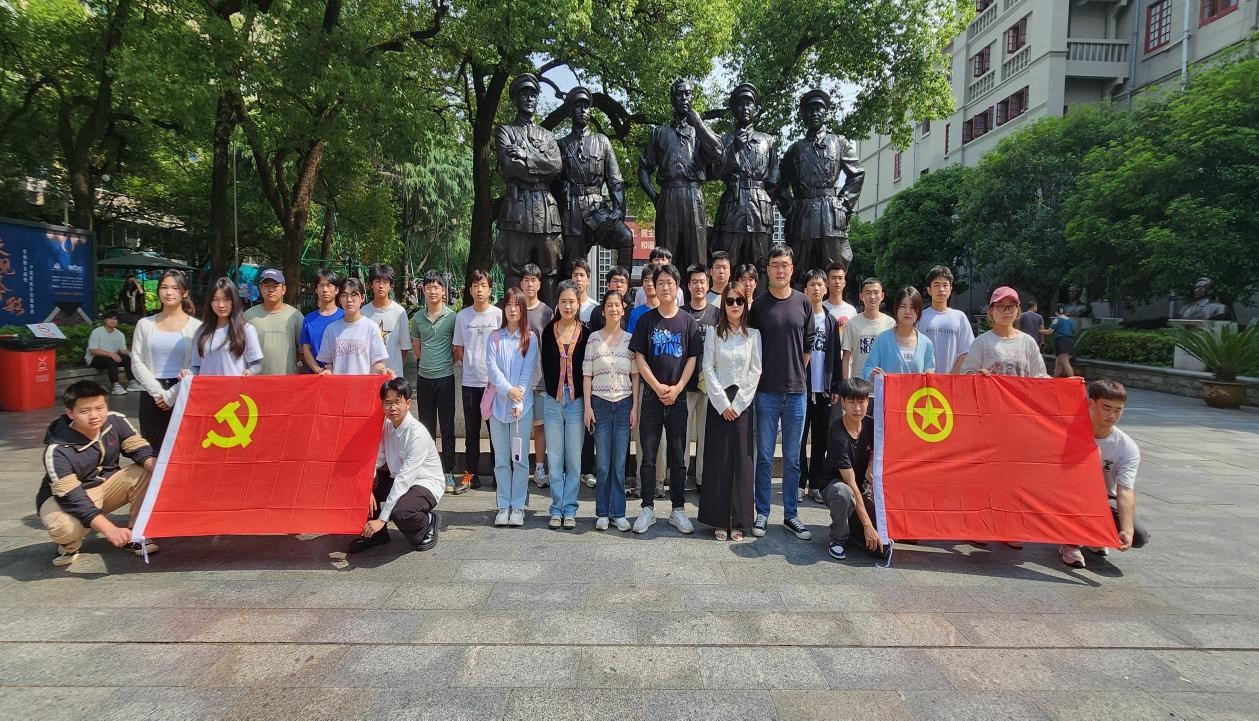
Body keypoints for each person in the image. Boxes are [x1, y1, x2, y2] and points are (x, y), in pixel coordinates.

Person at [37, 380, 158, 567]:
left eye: (99, 408)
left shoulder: (116, 421)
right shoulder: (57, 450)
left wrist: (165, 473)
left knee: (147, 471)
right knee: (63, 527)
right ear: (70, 413)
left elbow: (140, 450)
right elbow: (72, 498)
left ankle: (137, 533)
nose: (94, 416)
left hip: (106, 486)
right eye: (85, 411)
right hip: (66, 498)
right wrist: (110, 529)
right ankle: (69, 546)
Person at [747, 246, 816, 540]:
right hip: (765, 392)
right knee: (764, 456)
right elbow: (750, 346)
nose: (779, 270)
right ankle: (762, 512)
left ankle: (791, 514)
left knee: (792, 458)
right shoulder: (759, 306)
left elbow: (808, 346)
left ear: (792, 268)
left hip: (796, 393)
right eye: (774, 265)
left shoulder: (803, 302)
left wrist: (795, 372)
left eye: (784, 265)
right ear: (768, 270)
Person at [629, 264, 703, 534]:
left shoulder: (687, 321)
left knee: (678, 456)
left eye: (670, 282)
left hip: (679, 398)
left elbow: (692, 357)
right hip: (651, 397)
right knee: (648, 456)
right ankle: (647, 508)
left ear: (677, 286)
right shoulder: (646, 320)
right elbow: (639, 357)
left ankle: (678, 509)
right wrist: (657, 386)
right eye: (660, 282)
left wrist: (678, 387)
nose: (664, 287)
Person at [779, 89, 865, 287]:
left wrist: (844, 204)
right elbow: (780, 183)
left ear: (826, 113)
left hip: (830, 216)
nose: (815, 113)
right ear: (804, 115)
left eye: (819, 109)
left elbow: (857, 174)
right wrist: (790, 209)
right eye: (810, 110)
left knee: (833, 273)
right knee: (799, 273)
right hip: (802, 216)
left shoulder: (839, 142)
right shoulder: (795, 149)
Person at [1060, 379, 1149, 568]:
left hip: (1101, 498)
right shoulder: (1066, 431)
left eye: (1118, 410)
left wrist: (1127, 530)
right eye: (1107, 408)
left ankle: (1092, 535)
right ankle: (1069, 542)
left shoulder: (1126, 447)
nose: (1112, 415)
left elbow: (1125, 490)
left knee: (1139, 535)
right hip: (1063, 495)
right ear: (1090, 404)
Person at [639, 78, 723, 276]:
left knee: (697, 256)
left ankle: (697, 295)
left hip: (693, 195)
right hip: (668, 195)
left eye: (688, 94)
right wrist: (655, 197)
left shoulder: (700, 131)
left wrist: (698, 123)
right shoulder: (659, 132)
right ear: (672, 98)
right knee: (666, 259)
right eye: (679, 94)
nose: (684, 98)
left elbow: (718, 152)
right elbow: (644, 168)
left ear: (693, 97)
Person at [349, 378, 443, 554]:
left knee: (401, 513)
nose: (393, 408)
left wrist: (382, 519)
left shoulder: (417, 434)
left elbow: (404, 479)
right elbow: (377, 458)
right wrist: (366, 487)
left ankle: (428, 521)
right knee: (358, 483)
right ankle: (377, 535)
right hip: (396, 477)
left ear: (408, 403)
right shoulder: (386, 425)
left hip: (424, 483)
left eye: (397, 402)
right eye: (388, 403)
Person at [698, 285, 761, 540]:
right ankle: (718, 519)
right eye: (730, 301)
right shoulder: (714, 333)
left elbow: (755, 370)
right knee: (719, 460)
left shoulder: (753, 335)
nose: (735, 305)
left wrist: (738, 404)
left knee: (742, 462)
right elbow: (708, 367)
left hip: (743, 403)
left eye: (739, 301)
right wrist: (723, 404)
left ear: (745, 304)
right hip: (718, 403)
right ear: (723, 304)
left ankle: (740, 520)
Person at [494, 73, 564, 304]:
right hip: (518, 211)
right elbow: (510, 166)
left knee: (550, 271)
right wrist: (540, 164)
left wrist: (525, 156)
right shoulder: (505, 131)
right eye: (524, 94)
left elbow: (556, 167)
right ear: (516, 99)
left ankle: (550, 320)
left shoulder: (548, 136)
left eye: (533, 94)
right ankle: (513, 318)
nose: (529, 98)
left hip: (546, 211)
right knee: (514, 271)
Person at [557, 86, 634, 273]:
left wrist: (618, 209)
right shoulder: (561, 144)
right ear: (570, 110)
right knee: (571, 267)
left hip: (598, 209)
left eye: (586, 106)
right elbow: (554, 180)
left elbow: (615, 180)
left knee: (626, 238)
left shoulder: (602, 141)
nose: (583, 110)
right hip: (572, 211)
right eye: (578, 106)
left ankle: (621, 285)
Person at [583, 290, 638, 532]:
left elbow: (635, 376)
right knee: (603, 463)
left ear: (623, 309)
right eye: (609, 305)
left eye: (617, 305)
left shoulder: (630, 340)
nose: (614, 309)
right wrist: (587, 407)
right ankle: (603, 512)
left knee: (619, 463)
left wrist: (635, 407)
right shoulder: (594, 339)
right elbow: (587, 375)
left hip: (624, 403)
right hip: (600, 404)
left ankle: (618, 512)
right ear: (603, 311)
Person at [711, 83, 779, 276]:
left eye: (749, 103)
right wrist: (734, 148)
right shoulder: (724, 140)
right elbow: (714, 173)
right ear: (734, 109)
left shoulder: (768, 141)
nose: (745, 108)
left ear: (756, 109)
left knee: (761, 267)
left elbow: (774, 181)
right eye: (740, 104)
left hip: (760, 211)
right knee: (727, 265)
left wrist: (763, 201)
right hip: (732, 209)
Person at [130, 270, 201, 453]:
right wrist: (158, 394)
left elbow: (197, 364)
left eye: (175, 288)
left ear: (184, 293)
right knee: (153, 450)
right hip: (151, 392)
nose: (169, 292)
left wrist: (172, 394)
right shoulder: (144, 324)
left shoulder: (196, 327)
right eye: (164, 287)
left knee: (183, 449)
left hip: (183, 391)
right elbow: (137, 360)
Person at [485, 287, 539, 528]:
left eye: (517, 305)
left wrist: (518, 400)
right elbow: (492, 369)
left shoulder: (530, 338)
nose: (512, 309)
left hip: (522, 408)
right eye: (508, 305)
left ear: (523, 309)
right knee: (501, 459)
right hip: (498, 406)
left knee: (520, 459)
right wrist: (508, 391)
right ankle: (503, 505)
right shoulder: (494, 337)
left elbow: (527, 372)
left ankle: (517, 506)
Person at [540, 281, 589, 529]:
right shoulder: (548, 331)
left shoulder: (587, 334)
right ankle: (556, 507)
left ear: (578, 304)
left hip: (577, 402)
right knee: (555, 456)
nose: (567, 306)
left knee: (574, 458)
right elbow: (544, 365)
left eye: (572, 301)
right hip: (553, 400)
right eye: (563, 302)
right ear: (557, 304)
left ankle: (570, 507)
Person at [452, 270, 503, 494]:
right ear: (470, 290)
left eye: (483, 285)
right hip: (470, 382)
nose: (479, 289)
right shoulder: (463, 317)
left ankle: (499, 473)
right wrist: (472, 364)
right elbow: (459, 349)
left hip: (493, 384)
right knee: (471, 431)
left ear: (490, 289)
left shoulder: (498, 315)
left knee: (496, 431)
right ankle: (470, 474)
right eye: (475, 285)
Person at [822, 377, 883, 560]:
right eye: (852, 402)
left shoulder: (872, 425)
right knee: (844, 493)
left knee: (882, 549)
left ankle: (854, 529)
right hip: (836, 486)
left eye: (861, 402)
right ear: (843, 403)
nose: (857, 408)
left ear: (868, 402)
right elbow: (850, 483)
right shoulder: (837, 433)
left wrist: (871, 464)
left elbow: (878, 451)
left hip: (863, 489)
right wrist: (868, 526)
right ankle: (838, 538)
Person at [410, 270, 459, 493]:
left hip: (445, 378)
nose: (432, 291)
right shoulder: (418, 318)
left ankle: (448, 471)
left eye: (436, 287)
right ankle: (429, 472)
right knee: (426, 428)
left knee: (447, 427)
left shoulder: (452, 318)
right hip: (424, 379)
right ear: (423, 290)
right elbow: (417, 350)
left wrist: (444, 363)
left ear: (443, 291)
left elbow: (456, 350)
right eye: (428, 287)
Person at [800, 270, 843, 505]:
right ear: (804, 289)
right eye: (812, 284)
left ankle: (815, 483)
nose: (816, 289)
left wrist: (835, 385)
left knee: (820, 439)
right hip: (801, 388)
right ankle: (799, 482)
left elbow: (835, 356)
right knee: (798, 438)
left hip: (823, 388)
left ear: (826, 288)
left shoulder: (830, 320)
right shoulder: (800, 317)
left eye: (820, 284)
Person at [682, 264, 720, 490]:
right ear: (688, 285)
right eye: (694, 282)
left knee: (706, 435)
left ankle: (702, 479)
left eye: (702, 282)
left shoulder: (717, 314)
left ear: (708, 284)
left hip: (708, 385)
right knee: (682, 434)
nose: (698, 286)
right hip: (684, 384)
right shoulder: (681, 312)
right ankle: (680, 477)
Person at [960, 287, 1050, 379]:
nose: (1006, 311)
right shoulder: (981, 342)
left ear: (1017, 310)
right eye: (1000, 306)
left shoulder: (1028, 342)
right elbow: (966, 374)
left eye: (1011, 306)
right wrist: (976, 376)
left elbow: (1040, 376)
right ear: (991, 310)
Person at [520, 264, 554, 489]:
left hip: (540, 380)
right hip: (518, 381)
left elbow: (550, 347)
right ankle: (520, 468)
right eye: (526, 280)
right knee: (520, 428)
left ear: (540, 284)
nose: (530, 284)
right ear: (521, 284)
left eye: (533, 280)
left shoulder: (546, 312)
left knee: (540, 427)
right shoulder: (515, 309)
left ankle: (540, 468)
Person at [841, 278, 895, 416]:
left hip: (883, 389)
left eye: (876, 293)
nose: (872, 297)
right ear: (861, 296)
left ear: (882, 296)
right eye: (868, 293)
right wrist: (846, 387)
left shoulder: (891, 324)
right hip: (859, 390)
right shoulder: (852, 324)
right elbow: (846, 358)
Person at [316, 277, 391, 377]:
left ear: (362, 298)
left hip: (363, 385)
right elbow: (329, 363)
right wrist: (328, 371)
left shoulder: (371, 327)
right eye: (344, 295)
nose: (349, 300)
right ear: (340, 299)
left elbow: (377, 362)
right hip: (338, 385)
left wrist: (382, 370)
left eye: (354, 295)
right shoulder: (331, 329)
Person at [190, 278, 264, 376]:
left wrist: (250, 372)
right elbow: (196, 366)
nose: (221, 305)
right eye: (215, 299)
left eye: (227, 299)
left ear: (234, 301)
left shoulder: (246, 329)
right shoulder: (201, 331)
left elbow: (256, 364)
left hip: (234, 385)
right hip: (207, 386)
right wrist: (188, 372)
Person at [864, 287, 936, 382]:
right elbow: (867, 370)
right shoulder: (882, 340)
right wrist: (872, 374)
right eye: (903, 306)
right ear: (896, 308)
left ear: (919, 311)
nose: (907, 311)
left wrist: (930, 375)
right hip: (889, 391)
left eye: (913, 307)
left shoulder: (926, 343)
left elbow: (930, 372)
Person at [243, 268, 303, 375]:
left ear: (283, 289)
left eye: (275, 286)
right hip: (255, 380)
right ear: (260, 288)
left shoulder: (295, 316)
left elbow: (302, 351)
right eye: (267, 286)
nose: (271, 290)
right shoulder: (248, 316)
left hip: (287, 379)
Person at [917, 266, 974, 374]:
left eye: (945, 285)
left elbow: (967, 351)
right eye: (936, 285)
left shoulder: (960, 317)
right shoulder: (920, 317)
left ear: (950, 289)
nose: (941, 289)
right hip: (925, 379)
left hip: (952, 380)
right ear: (929, 290)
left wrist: (953, 375)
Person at [360, 263, 411, 380]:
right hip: (370, 376)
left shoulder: (399, 312)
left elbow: (405, 348)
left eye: (385, 282)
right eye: (377, 281)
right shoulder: (363, 312)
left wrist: (397, 368)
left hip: (394, 376)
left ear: (391, 285)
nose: (381, 286)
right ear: (371, 284)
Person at [300, 268, 344, 373]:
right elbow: (306, 348)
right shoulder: (309, 319)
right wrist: (318, 370)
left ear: (336, 290)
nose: (325, 290)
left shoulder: (345, 317)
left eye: (329, 285)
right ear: (316, 290)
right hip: (316, 377)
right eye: (321, 285)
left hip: (341, 375)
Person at [85, 310, 139, 395]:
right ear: (104, 320)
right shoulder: (97, 332)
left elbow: (122, 350)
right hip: (95, 359)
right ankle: (116, 386)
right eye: (110, 318)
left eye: (115, 319)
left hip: (111, 357)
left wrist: (133, 355)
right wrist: (111, 354)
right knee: (110, 361)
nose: (113, 321)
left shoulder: (119, 334)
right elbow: (93, 350)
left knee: (128, 359)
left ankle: (132, 383)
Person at [587, 266, 630, 332]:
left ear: (627, 286)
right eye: (615, 281)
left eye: (622, 282)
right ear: (608, 285)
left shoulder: (632, 312)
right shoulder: (597, 312)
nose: (618, 285)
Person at [628, 269, 660, 333]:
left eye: (653, 280)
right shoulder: (635, 313)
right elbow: (631, 336)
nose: (649, 284)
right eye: (646, 280)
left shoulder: (666, 311)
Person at [1049, 306, 1076, 378]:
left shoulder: (1057, 320)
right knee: (1058, 362)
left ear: (1056, 312)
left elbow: (1049, 331)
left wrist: (1039, 331)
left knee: (1065, 362)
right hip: (1069, 341)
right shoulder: (1070, 320)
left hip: (1061, 341)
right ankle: (1054, 379)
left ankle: (1073, 380)